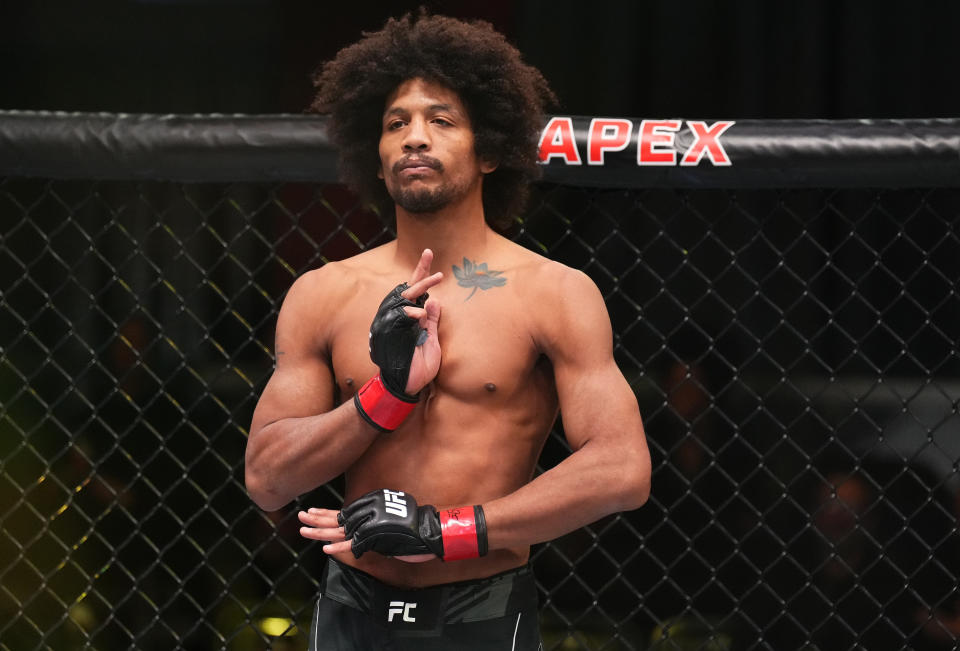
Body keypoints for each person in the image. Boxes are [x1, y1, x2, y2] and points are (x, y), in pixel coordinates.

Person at [244, 12, 651, 650]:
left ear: (488, 149)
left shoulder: (553, 292)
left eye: (441, 120)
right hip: (353, 604)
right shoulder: (322, 293)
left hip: (481, 605)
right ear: (375, 160)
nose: (414, 138)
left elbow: (622, 469)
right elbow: (268, 477)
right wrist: (388, 397)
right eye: (395, 123)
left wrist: (446, 531)